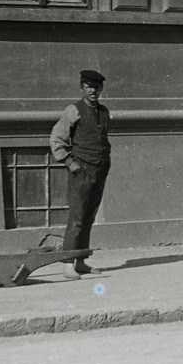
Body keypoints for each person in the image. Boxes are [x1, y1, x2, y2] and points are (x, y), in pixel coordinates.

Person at [49, 68, 113, 273]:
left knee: (89, 216)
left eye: (96, 87)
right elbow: (57, 139)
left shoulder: (104, 112)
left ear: (101, 88)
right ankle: (68, 264)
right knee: (77, 217)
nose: (93, 91)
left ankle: (81, 261)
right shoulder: (73, 110)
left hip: (100, 169)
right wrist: (71, 164)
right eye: (89, 87)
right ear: (82, 88)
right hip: (81, 169)